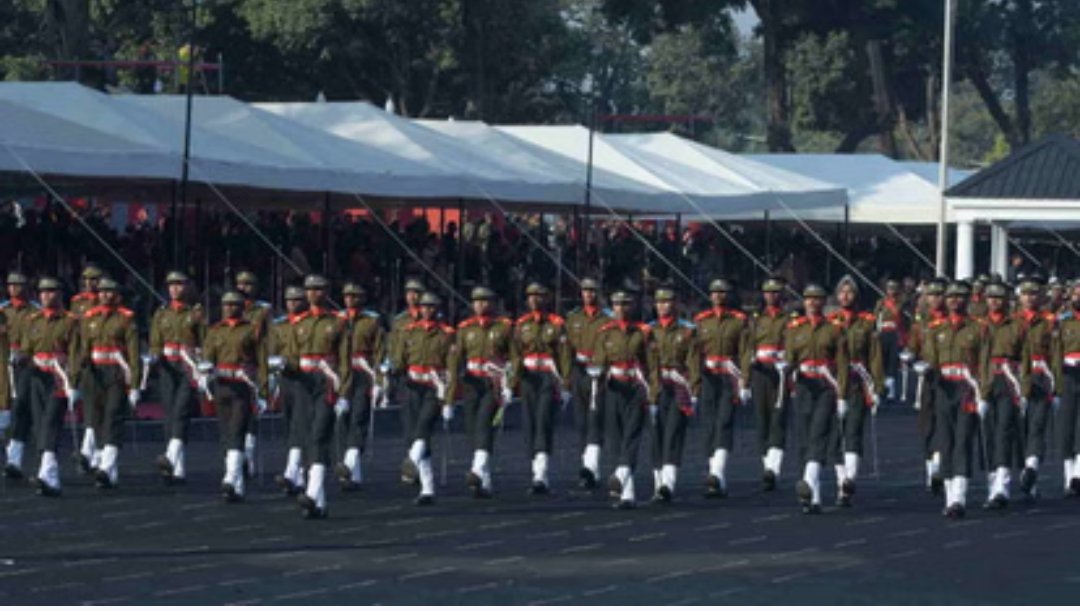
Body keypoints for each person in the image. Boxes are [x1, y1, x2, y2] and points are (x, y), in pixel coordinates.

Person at [784, 283, 848, 514]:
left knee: (819, 433)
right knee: (804, 439)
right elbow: (790, 357)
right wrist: (787, 370)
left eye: (817, 298)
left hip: (826, 386)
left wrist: (842, 395)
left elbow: (842, 364)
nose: (812, 302)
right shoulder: (794, 328)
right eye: (808, 298)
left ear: (823, 302)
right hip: (804, 387)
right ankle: (813, 497)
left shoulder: (834, 329)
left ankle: (809, 482)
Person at [925, 281, 985, 519]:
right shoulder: (936, 329)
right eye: (950, 297)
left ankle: (959, 496)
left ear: (967, 300)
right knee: (946, 441)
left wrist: (983, 394)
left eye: (959, 296)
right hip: (944, 389)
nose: (954, 300)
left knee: (963, 441)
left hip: (967, 389)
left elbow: (984, 362)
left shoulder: (978, 329)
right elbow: (931, 360)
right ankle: (950, 498)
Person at [390, 291, 456, 505]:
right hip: (412, 386)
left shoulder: (446, 334)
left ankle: (411, 461)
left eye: (431, 307)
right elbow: (400, 361)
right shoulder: (409, 331)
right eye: (424, 307)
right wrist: (391, 370)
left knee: (424, 426)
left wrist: (448, 400)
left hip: (434, 387)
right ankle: (427, 488)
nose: (427, 310)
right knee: (414, 434)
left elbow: (452, 369)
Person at [201, 291, 267, 502]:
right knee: (225, 432)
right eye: (226, 304)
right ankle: (237, 486)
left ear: (241, 307)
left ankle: (230, 477)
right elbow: (208, 358)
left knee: (238, 429)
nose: (229, 308)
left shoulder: (251, 330)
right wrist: (205, 375)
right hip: (221, 385)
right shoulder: (215, 330)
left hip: (242, 386)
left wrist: (263, 390)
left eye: (233, 304)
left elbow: (261, 361)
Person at [293, 275, 350, 519]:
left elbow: (345, 361)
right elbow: (293, 355)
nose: (313, 293)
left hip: (327, 383)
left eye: (318, 289)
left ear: (326, 292)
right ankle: (320, 503)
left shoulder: (337, 323)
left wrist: (344, 393)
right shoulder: (299, 323)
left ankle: (311, 493)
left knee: (319, 435)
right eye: (309, 289)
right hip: (304, 383)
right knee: (308, 438)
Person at [447, 286, 512, 498]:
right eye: (476, 301)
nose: (480, 305)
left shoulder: (504, 327)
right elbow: (456, 360)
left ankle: (476, 470)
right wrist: (449, 396)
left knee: (484, 423)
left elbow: (515, 357)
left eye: (484, 301)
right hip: (471, 383)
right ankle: (485, 481)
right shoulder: (465, 329)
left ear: (492, 304)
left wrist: (509, 384)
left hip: (492, 383)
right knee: (473, 429)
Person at [78, 277, 141, 490]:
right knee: (96, 418)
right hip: (94, 373)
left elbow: (133, 354)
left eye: (109, 291)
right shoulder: (90, 317)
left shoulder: (126, 318)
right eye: (102, 291)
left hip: (116, 372)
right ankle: (107, 470)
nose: (105, 295)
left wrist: (135, 385)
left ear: (117, 295)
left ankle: (106, 466)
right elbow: (84, 348)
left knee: (113, 416)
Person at [21, 277, 79, 496]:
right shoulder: (33, 320)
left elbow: (75, 353)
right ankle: (50, 475)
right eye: (42, 291)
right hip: (37, 376)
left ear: (59, 294)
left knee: (51, 421)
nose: (46, 295)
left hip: (59, 377)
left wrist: (72, 381)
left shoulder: (70, 321)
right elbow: (27, 349)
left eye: (51, 291)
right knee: (39, 424)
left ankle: (47, 472)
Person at [509, 283, 570, 495]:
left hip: (548, 377)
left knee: (543, 420)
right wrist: (512, 383)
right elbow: (516, 354)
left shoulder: (556, 324)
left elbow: (564, 355)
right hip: (528, 378)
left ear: (547, 298)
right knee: (529, 422)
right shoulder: (521, 324)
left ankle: (541, 474)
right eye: (531, 296)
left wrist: (565, 384)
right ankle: (535, 469)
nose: (534, 299)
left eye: (539, 296)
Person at [592, 290, 650, 509]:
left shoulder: (643, 332)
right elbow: (599, 360)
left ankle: (621, 473)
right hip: (614, 388)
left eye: (625, 304)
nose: (621, 309)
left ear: (632, 307)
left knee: (631, 434)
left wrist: (652, 391)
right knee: (615, 438)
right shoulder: (605, 332)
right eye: (616, 305)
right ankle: (628, 493)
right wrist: (596, 375)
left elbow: (650, 363)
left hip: (636, 387)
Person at [828, 276, 883, 507]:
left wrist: (877, 386)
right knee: (835, 435)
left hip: (857, 382)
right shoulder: (830, 321)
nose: (845, 296)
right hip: (833, 383)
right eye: (842, 292)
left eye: (850, 292)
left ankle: (850, 479)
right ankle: (841, 482)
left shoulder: (867, 322)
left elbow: (875, 356)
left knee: (853, 430)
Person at [149, 271, 206, 485]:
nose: (174, 289)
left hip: (187, 367)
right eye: (171, 285)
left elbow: (205, 341)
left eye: (179, 285)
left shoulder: (196, 312)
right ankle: (177, 468)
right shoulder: (161, 313)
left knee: (181, 411)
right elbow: (155, 340)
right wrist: (154, 356)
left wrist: (202, 367)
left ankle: (171, 457)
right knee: (170, 413)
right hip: (167, 366)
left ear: (187, 287)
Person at [694, 278, 749, 499]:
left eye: (722, 292)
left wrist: (744, 380)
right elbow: (695, 353)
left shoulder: (738, 321)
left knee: (724, 422)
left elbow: (744, 351)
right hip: (708, 376)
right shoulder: (701, 321)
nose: (718, 296)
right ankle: (715, 477)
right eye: (714, 292)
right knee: (709, 424)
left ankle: (718, 471)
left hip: (729, 375)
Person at [646, 286, 699, 502]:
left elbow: (693, 362)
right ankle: (658, 482)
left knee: (673, 433)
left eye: (667, 302)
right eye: (659, 302)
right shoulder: (649, 330)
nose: (662, 306)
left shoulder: (687, 331)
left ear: (675, 304)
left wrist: (694, 390)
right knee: (656, 435)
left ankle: (668, 482)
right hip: (656, 386)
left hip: (678, 385)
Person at [742, 276, 791, 491]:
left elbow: (792, 344)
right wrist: (745, 379)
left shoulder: (789, 319)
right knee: (762, 420)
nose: (771, 295)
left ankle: (774, 468)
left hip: (780, 373)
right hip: (760, 372)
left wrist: (786, 361)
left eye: (775, 292)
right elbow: (748, 347)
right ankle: (767, 468)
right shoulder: (756, 319)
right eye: (768, 292)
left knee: (778, 419)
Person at [336, 283, 385, 491]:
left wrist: (379, 381)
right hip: (340, 375)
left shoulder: (372, 321)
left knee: (359, 417)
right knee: (342, 421)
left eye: (354, 296)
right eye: (347, 296)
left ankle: (349, 464)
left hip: (362, 374)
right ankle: (353, 475)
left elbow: (379, 352)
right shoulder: (337, 319)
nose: (350, 299)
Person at [979, 281, 1024, 509]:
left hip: (1007, 381)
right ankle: (992, 483)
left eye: (998, 298)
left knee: (1004, 430)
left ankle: (1002, 487)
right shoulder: (978, 326)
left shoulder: (1016, 326)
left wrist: (1023, 388)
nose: (994, 302)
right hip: (984, 381)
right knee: (987, 434)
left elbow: (1024, 356)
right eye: (991, 298)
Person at [564, 278, 610, 489]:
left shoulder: (607, 319)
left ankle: (590, 465)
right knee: (581, 421)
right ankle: (589, 467)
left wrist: (602, 367)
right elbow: (567, 349)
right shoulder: (573, 318)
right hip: (579, 371)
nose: (588, 294)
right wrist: (567, 377)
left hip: (599, 373)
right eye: (585, 291)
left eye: (592, 291)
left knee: (595, 418)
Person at [1015, 275, 1056, 500]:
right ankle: (1027, 477)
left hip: (1040, 376)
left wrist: (1056, 383)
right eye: (1025, 294)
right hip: (1015, 377)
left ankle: (1031, 467)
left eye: (1033, 294)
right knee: (1018, 428)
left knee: (1037, 425)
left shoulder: (1050, 321)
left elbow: (1056, 353)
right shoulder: (1012, 321)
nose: (1029, 298)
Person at [271, 286, 309, 496]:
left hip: (305, 378)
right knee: (289, 423)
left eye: (297, 300)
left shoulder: (310, 323)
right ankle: (298, 475)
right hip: (286, 378)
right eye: (289, 300)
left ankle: (292, 471)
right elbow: (273, 350)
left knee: (299, 424)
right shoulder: (279, 325)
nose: (292, 304)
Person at [2, 271, 40, 480]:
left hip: (26, 363)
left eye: (18, 285)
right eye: (11, 285)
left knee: (21, 406)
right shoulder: (2, 309)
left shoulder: (35, 311)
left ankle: (15, 456)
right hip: (3, 362)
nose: (14, 288)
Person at [237, 271, 272, 479]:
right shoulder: (231, 307)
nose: (243, 288)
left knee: (252, 413)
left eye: (248, 284)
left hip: (255, 364)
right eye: (240, 284)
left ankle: (248, 456)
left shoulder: (263, 310)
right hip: (236, 365)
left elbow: (270, 338)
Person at [1054, 280, 1080, 496]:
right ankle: (1068, 475)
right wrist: (1057, 382)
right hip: (1069, 373)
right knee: (1066, 426)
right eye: (1076, 294)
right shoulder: (1064, 321)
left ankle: (1078, 473)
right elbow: (1056, 352)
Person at [873, 279, 905, 401]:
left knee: (893, 361)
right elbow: (876, 317)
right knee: (881, 360)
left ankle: (891, 387)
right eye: (889, 288)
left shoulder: (901, 303)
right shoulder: (881, 303)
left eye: (894, 288)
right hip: (883, 332)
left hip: (895, 333)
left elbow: (902, 318)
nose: (891, 291)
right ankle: (880, 386)